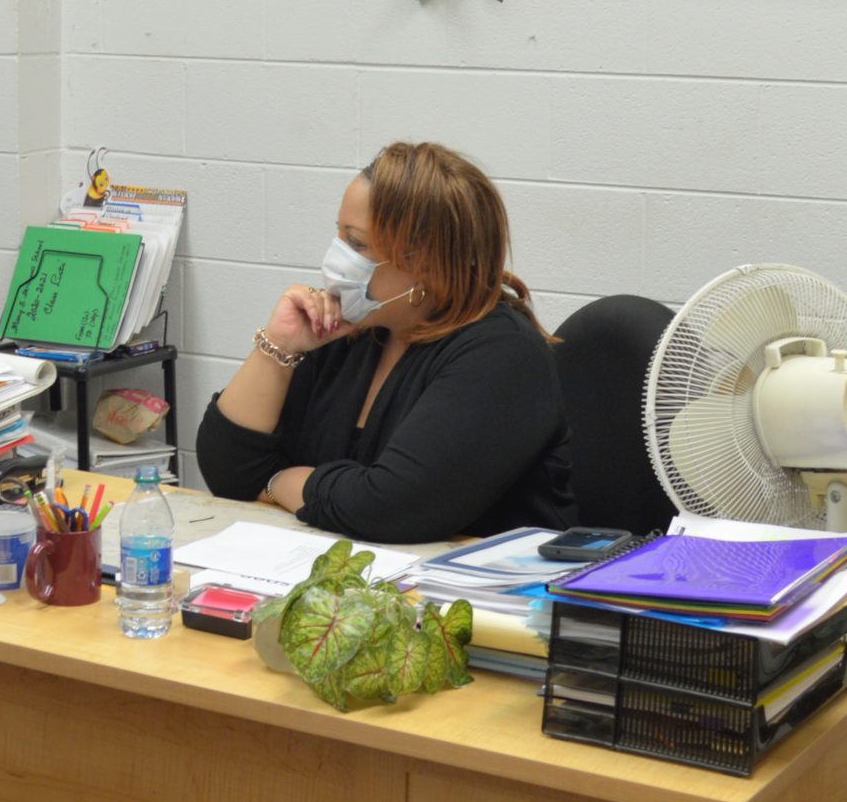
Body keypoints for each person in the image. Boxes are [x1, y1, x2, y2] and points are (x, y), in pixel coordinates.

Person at [196, 142, 576, 544]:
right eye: (338, 235)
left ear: (427, 261)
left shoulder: (503, 355)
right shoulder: (352, 328)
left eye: (357, 244)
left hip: (488, 597)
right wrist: (280, 345)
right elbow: (228, 469)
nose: (336, 257)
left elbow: (388, 508)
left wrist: (277, 482)